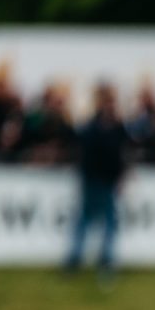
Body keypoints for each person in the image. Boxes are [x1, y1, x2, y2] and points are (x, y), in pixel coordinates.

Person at [66, 85, 130, 279]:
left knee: (106, 222)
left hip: (107, 181)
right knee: (87, 221)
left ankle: (105, 260)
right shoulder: (92, 128)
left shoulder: (116, 128)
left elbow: (121, 154)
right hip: (93, 180)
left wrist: (120, 176)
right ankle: (76, 259)